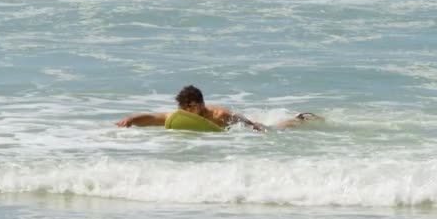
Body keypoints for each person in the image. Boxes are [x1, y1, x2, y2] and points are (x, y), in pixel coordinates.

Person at [115, 85, 323, 131]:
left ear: (195, 105)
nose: (183, 114)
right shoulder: (183, 114)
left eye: (186, 109)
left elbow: (246, 125)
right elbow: (153, 117)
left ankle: (300, 117)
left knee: (277, 128)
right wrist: (131, 119)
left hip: (249, 126)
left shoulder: (221, 115)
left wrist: (257, 130)